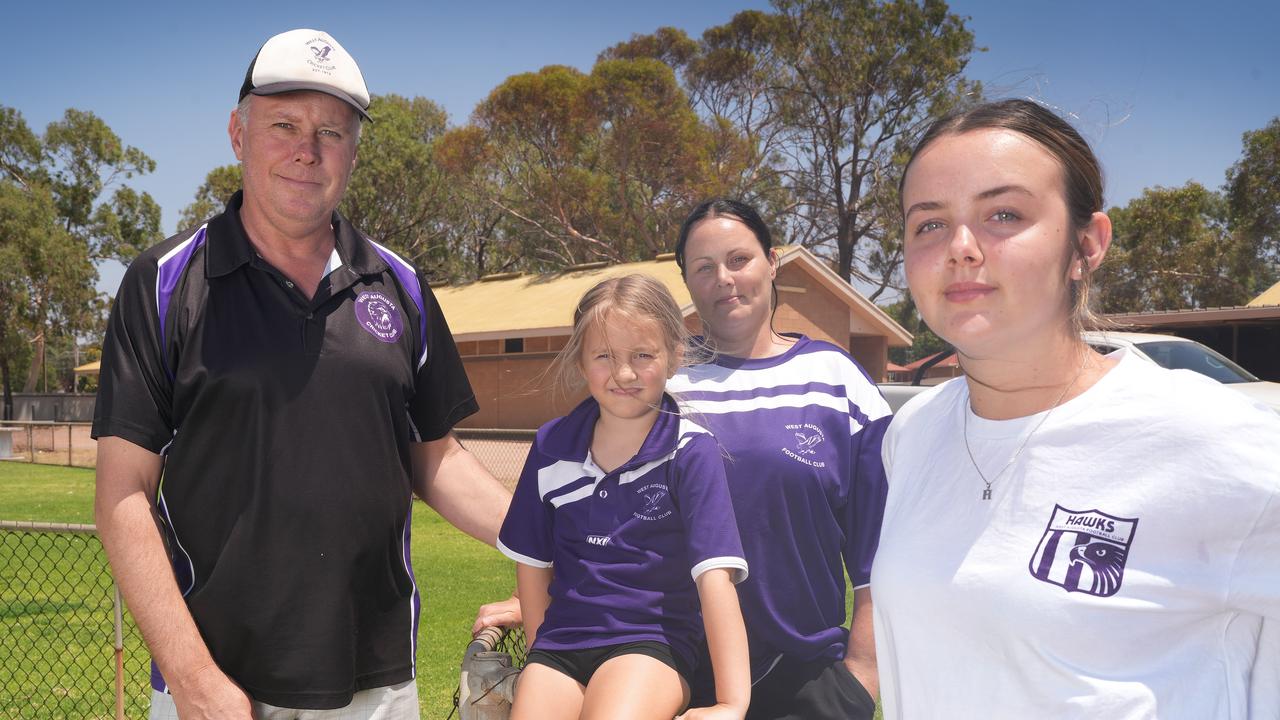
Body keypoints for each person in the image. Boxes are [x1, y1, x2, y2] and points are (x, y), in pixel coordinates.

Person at [92, 29, 511, 720]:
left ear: (353, 151)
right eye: (283, 124)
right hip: (218, 683)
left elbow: (436, 458)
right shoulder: (163, 284)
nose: (307, 151)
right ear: (238, 132)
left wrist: (557, 541)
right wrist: (194, 681)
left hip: (376, 684)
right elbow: (122, 497)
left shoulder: (400, 285)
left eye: (332, 132)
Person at [873, 98, 1280, 718]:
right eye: (928, 223)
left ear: (1087, 244)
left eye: (1003, 214)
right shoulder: (913, 433)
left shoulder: (1208, 440)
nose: (960, 247)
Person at [666, 199, 888, 720]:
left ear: (772, 264)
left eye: (739, 259)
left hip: (806, 681)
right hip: (676, 675)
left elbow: (883, 552)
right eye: (704, 267)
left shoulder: (837, 381)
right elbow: (611, 519)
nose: (724, 279)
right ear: (688, 282)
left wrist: (859, 682)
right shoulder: (665, 387)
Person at [498, 274, 751, 720]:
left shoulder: (690, 450)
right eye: (604, 356)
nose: (624, 373)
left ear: (674, 357)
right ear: (580, 361)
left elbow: (716, 579)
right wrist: (539, 656)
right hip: (562, 643)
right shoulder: (551, 445)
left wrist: (732, 702)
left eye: (642, 355)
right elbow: (532, 565)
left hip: (650, 642)